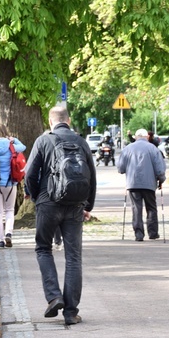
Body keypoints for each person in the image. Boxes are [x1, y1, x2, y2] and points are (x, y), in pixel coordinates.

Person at [25, 106, 96, 326]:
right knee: (73, 257)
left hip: (48, 202)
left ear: (50, 121)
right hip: (75, 205)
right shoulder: (81, 141)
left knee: (43, 248)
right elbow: (91, 176)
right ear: (69, 119)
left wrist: (37, 197)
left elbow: (29, 174)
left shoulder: (43, 141)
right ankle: (71, 312)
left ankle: (54, 296)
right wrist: (88, 206)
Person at [116, 129, 166, 241]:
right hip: (149, 184)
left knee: (136, 208)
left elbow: (120, 168)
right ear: (147, 137)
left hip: (133, 183)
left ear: (135, 137)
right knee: (151, 207)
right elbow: (159, 168)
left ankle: (139, 234)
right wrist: (161, 180)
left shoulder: (128, 148)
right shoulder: (153, 148)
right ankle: (153, 233)